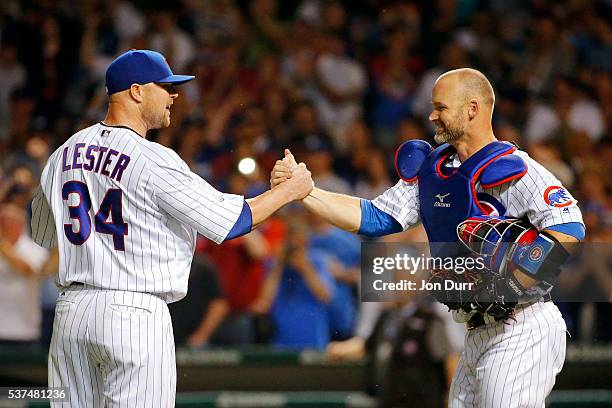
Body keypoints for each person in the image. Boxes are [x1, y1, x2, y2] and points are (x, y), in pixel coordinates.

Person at [272, 68, 585, 407]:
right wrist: (305, 192)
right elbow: (376, 217)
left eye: (441, 107)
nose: (432, 115)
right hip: (476, 331)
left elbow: (569, 226)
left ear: (472, 109)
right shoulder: (434, 172)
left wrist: (516, 280)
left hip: (523, 323)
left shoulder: (515, 168)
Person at [30, 49, 313, 407]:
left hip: (71, 312)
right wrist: (289, 191)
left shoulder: (63, 153)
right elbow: (231, 221)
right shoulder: (152, 158)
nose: (174, 95)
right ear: (136, 91)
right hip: (133, 314)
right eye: (165, 86)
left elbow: (41, 233)